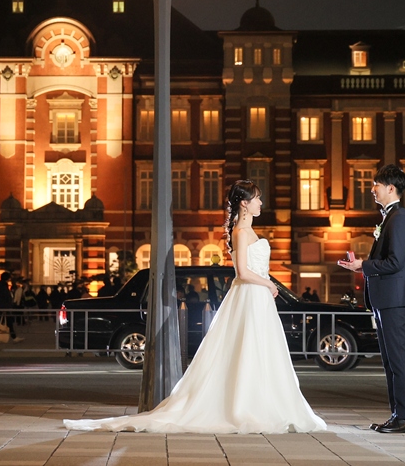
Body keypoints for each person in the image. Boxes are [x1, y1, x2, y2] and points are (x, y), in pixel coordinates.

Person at [64, 180, 326, 434]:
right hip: (250, 295)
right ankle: (245, 406)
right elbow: (243, 271)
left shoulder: (249, 231)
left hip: (257, 299)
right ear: (245, 204)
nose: (261, 202)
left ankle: (266, 403)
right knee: (246, 348)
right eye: (257, 198)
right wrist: (270, 285)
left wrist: (267, 286)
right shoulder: (240, 232)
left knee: (261, 350)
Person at [338, 164, 405, 434]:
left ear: (390, 188)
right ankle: (398, 414)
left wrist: (365, 265)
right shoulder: (391, 218)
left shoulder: (399, 219)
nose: (372, 189)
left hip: (394, 299)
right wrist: (361, 266)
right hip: (387, 299)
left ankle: (404, 417)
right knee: (390, 360)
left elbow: (395, 262)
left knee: (397, 359)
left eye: (376, 185)